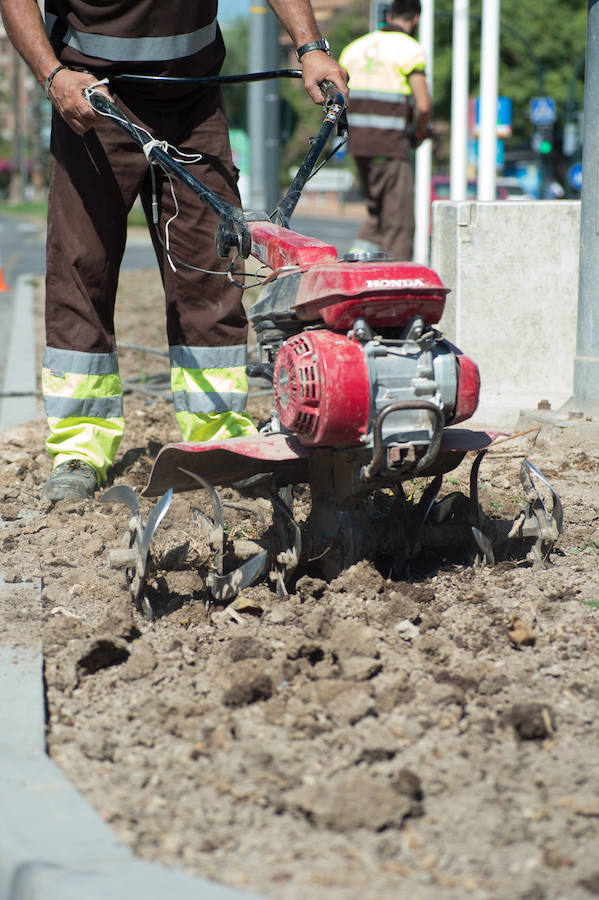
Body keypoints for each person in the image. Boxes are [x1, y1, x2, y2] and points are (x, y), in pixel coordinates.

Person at [0, 0, 348, 502]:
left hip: (193, 99)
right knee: (82, 267)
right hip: (90, 96)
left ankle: (217, 437)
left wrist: (312, 48)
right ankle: (80, 446)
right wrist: (51, 73)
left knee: (209, 265)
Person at [340, 0, 431, 261]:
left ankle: (356, 265)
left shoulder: (354, 49)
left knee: (376, 213)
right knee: (399, 221)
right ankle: (398, 282)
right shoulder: (410, 49)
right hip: (391, 146)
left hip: (359, 145)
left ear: (389, 15)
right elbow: (423, 106)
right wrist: (421, 133)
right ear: (416, 20)